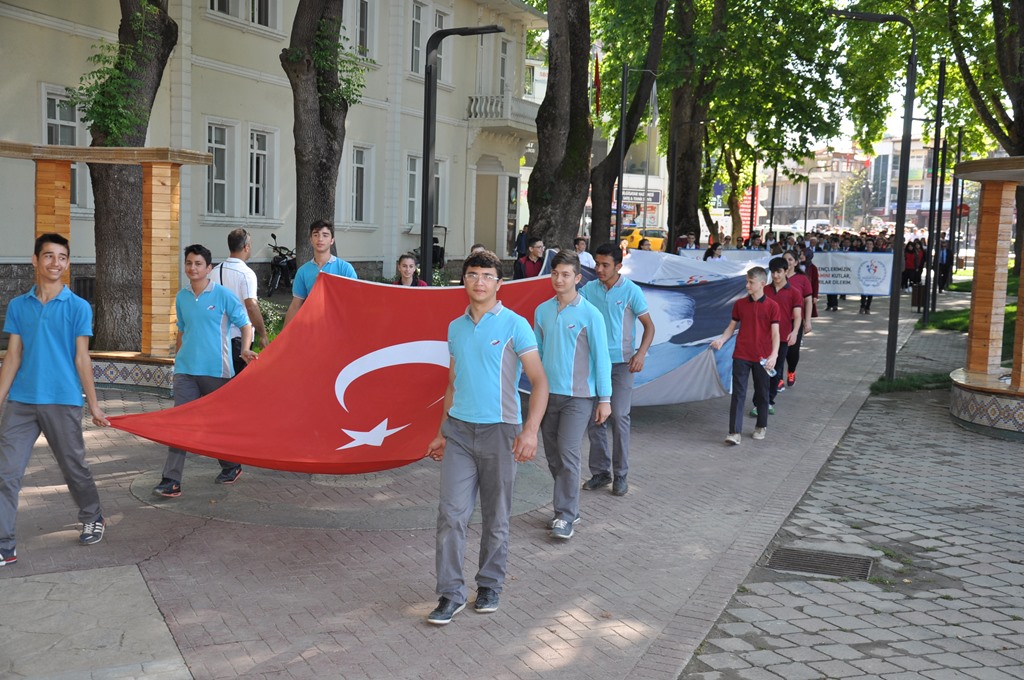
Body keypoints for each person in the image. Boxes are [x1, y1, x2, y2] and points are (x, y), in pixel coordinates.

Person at [425, 250, 549, 625]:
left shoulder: (515, 325)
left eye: (487, 275)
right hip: (459, 432)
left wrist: (530, 431)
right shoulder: (455, 327)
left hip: (501, 432)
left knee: (496, 516)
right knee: (450, 515)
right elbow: (452, 383)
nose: (479, 281)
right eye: (473, 274)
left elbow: (540, 381)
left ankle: (490, 584)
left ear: (499, 283)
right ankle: (450, 594)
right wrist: (440, 432)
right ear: (464, 280)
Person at [0, 233, 111, 565]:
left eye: (62, 257)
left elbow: (82, 358)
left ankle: (93, 515)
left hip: (62, 400)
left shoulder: (78, 306)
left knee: (73, 467)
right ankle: (5, 544)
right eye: (48, 256)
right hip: (21, 402)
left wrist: (93, 404)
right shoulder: (20, 305)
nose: (55, 263)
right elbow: (13, 356)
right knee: (6, 473)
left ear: (67, 263)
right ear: (35, 260)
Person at [153, 245, 257, 498]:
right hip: (186, 371)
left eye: (198, 263)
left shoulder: (223, 295)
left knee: (216, 424)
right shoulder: (181, 297)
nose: (192, 268)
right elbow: (182, 330)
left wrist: (244, 350)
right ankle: (171, 480)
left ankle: (231, 465)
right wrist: (177, 361)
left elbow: (246, 325)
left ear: (209, 268)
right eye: (189, 263)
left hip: (216, 371)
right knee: (180, 425)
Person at [534, 251, 612, 540]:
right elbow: (537, 355)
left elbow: (602, 359)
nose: (559, 279)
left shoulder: (591, 314)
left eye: (566, 274)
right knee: (553, 455)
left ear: (578, 279)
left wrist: (604, 399)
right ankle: (569, 508)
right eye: (555, 273)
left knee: (567, 453)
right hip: (546, 396)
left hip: (579, 397)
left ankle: (565, 515)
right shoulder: (541, 311)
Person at [580, 243, 655, 497]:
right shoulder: (588, 290)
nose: (599, 269)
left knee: (619, 417)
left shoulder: (631, 291)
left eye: (605, 265)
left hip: (622, 365)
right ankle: (601, 473)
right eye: (597, 264)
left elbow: (649, 327)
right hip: (593, 364)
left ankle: (621, 475)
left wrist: (640, 354)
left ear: (618, 266)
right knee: (595, 419)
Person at [710, 267, 780, 444]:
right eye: (747, 281)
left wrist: (774, 355)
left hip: (763, 358)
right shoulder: (740, 304)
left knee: (762, 393)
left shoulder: (773, 306)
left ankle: (761, 426)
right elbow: (731, 327)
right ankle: (734, 432)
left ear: (762, 284)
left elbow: (776, 334)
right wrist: (722, 340)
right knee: (738, 393)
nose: (747, 285)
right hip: (741, 354)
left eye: (751, 282)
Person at [210, 228, 269, 375]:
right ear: (246, 247)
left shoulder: (215, 271)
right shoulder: (246, 273)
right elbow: (251, 306)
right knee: (236, 383)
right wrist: (263, 334)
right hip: (239, 339)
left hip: (216, 337)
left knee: (219, 382)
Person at [283, 220, 358, 327]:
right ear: (311, 240)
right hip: (313, 328)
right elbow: (295, 305)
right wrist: (284, 337)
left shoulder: (345, 268)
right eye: (316, 235)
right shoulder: (303, 271)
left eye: (325, 235)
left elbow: (355, 301)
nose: (320, 239)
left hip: (339, 326)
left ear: (332, 240)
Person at [761, 257, 802, 415]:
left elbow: (797, 316)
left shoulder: (794, 293)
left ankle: (769, 401)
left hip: (783, 338)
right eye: (773, 272)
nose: (776, 275)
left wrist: (795, 332)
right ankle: (759, 402)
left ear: (786, 271)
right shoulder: (764, 290)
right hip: (763, 338)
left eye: (779, 272)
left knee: (775, 371)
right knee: (761, 371)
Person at [782, 250, 812, 388]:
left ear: (796, 262)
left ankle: (791, 371)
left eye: (790, 259)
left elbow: (808, 300)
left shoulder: (802, 278)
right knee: (778, 349)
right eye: (785, 259)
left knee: (792, 350)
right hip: (778, 320)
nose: (787, 262)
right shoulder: (777, 277)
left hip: (796, 320)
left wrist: (808, 321)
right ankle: (778, 377)